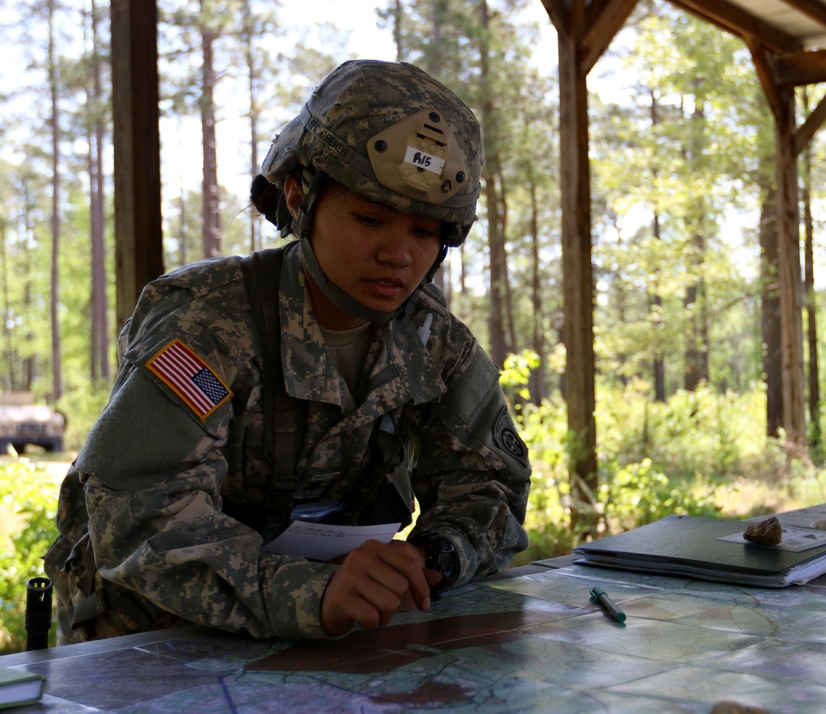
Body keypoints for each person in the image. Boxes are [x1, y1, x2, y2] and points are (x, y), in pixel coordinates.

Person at [43, 59, 532, 643]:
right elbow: (142, 515)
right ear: (300, 198)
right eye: (370, 219)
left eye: (425, 232)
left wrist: (432, 559)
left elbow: (490, 488)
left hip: (326, 640)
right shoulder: (208, 322)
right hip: (154, 643)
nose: (398, 254)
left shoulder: (435, 343)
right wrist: (309, 593)